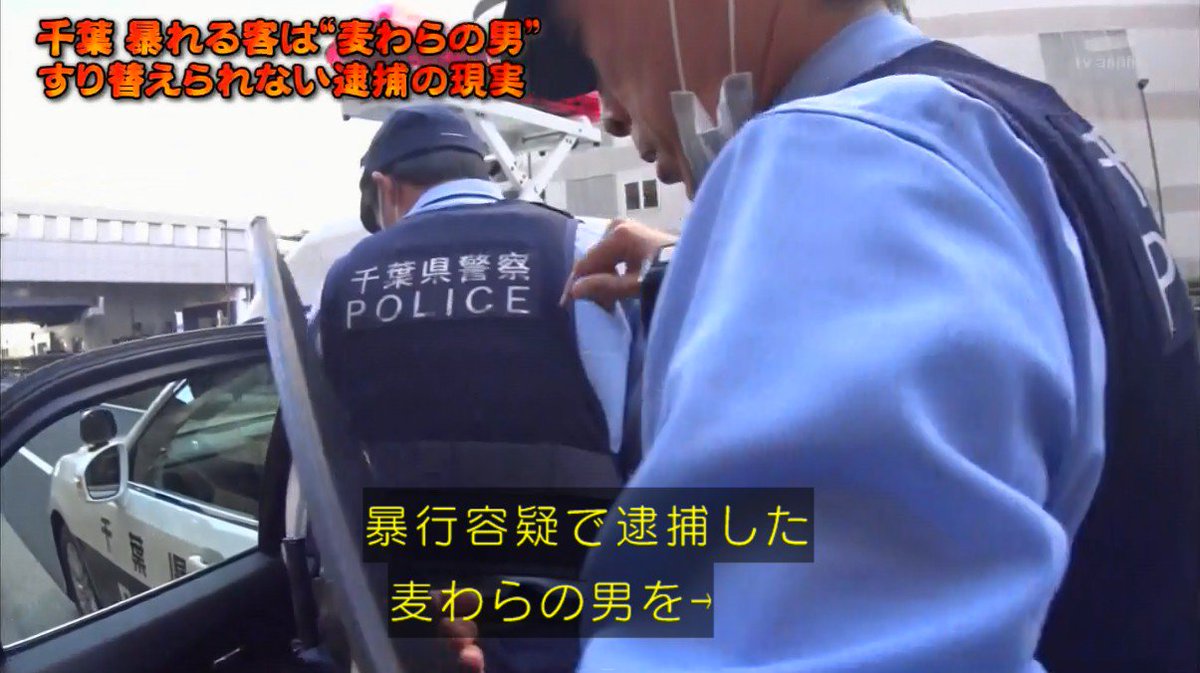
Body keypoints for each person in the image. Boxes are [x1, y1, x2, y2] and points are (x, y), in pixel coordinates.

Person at [443, 1, 1200, 672]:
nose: (606, 113)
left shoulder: (840, 160)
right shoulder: (1007, 124)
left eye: (584, 51)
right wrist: (705, 273)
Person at [313, 104, 636, 673]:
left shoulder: (342, 285)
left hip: (422, 624)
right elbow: (651, 434)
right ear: (477, 169)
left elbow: (324, 454)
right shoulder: (585, 252)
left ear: (386, 189)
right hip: (579, 615)